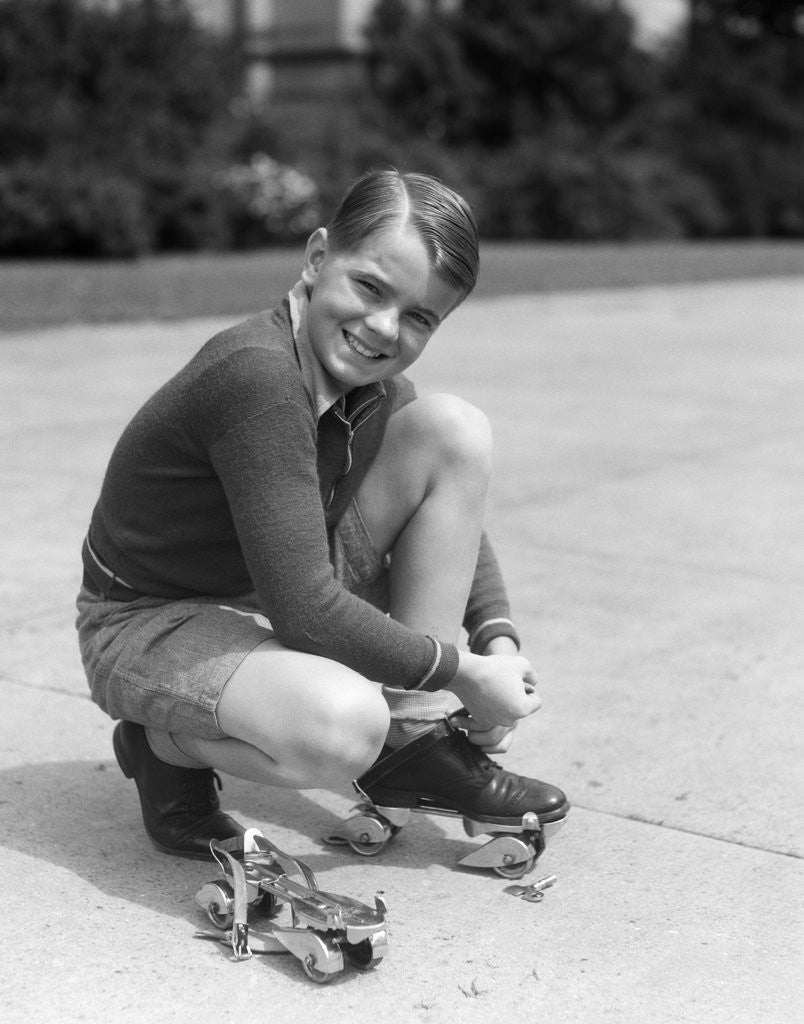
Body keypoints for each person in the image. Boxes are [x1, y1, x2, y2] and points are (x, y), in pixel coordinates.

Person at [76, 169, 569, 860]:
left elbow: (454, 519)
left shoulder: (372, 387)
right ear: (316, 258)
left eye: (420, 316)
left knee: (452, 429)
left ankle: (417, 738)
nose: (384, 328)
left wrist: (497, 647)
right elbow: (305, 608)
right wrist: (460, 674)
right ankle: (162, 748)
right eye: (369, 287)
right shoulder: (257, 376)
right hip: (148, 620)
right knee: (342, 728)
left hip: (260, 583)